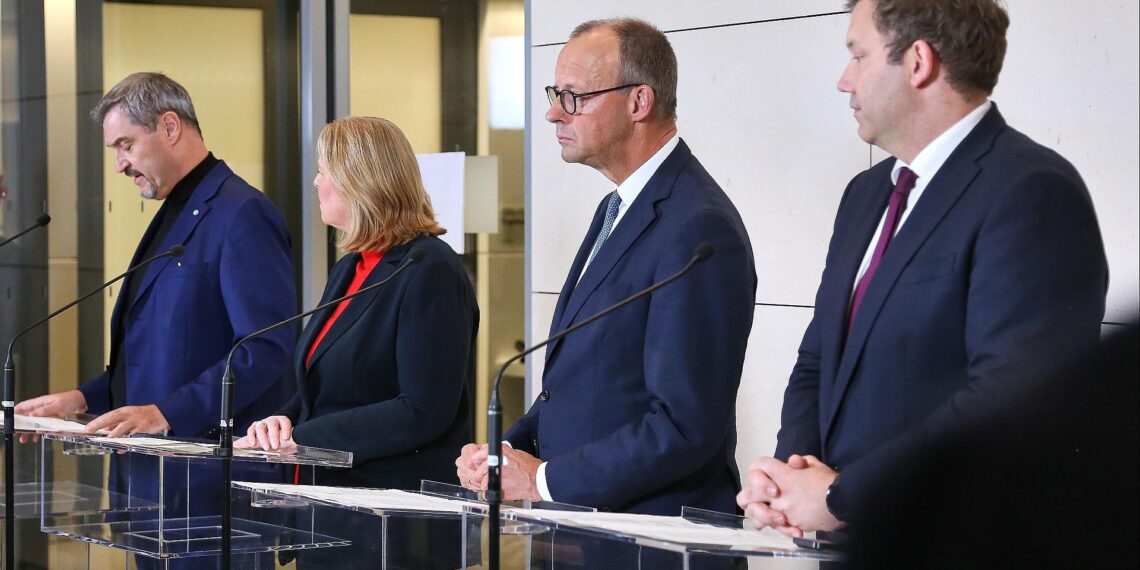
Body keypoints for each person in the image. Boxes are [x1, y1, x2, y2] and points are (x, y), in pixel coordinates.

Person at [737, 0, 1108, 538]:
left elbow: (1011, 399)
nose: (845, 81)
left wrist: (842, 496)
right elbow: (819, 359)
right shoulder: (866, 195)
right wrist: (789, 481)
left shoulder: (1031, 190)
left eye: (858, 56)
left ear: (917, 62)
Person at [456, 18, 756, 519]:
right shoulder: (617, 207)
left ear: (639, 102)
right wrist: (504, 454)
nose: (553, 113)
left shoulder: (698, 227)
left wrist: (543, 481)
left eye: (573, 96)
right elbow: (585, 383)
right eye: (556, 93)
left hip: (651, 537)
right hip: (588, 529)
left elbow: (684, 425)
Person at [16, 72, 296, 518]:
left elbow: (264, 349)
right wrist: (83, 399)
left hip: (209, 486)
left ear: (169, 127)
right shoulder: (176, 209)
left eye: (125, 145)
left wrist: (165, 412)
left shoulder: (242, 213)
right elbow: (160, 353)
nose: (119, 166)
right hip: (151, 479)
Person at [236, 116, 476, 568]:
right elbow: (323, 388)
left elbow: (423, 410)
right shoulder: (353, 265)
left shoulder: (429, 270)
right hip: (331, 511)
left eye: (324, 171)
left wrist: (305, 437)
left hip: (395, 523)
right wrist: (281, 423)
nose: (316, 182)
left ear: (360, 181)